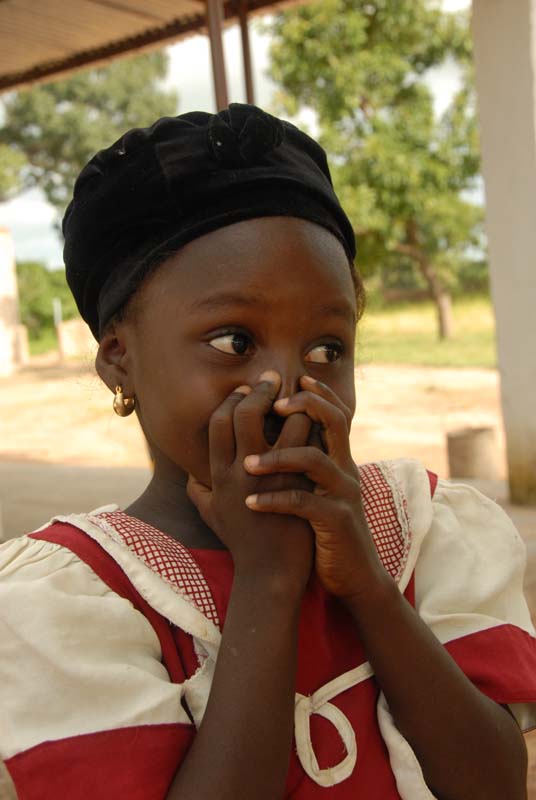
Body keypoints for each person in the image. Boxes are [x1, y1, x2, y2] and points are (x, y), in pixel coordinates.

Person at [0, 103, 535, 800]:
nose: (285, 388)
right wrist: (267, 581)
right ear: (119, 361)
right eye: (234, 342)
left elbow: (494, 784)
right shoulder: (75, 603)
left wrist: (370, 588)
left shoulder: (419, 529)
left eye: (326, 349)